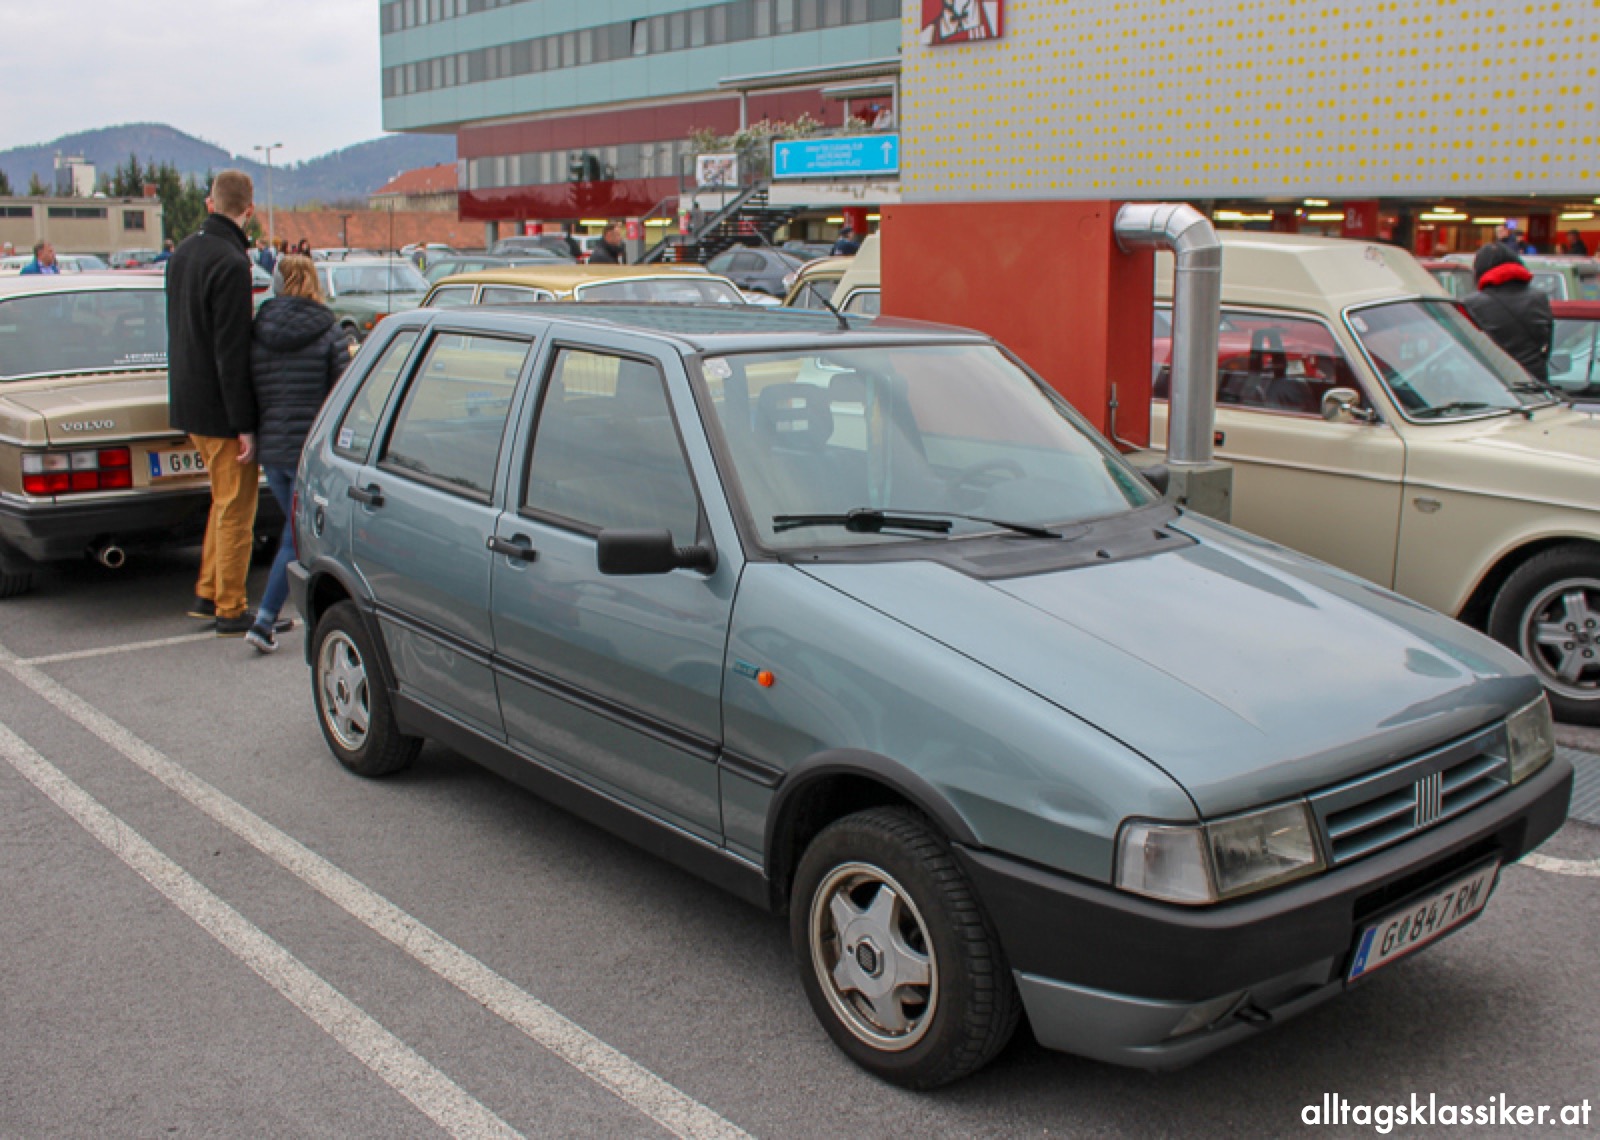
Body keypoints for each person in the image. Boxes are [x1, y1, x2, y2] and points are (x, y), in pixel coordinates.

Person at [165, 169, 262, 637]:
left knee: (221, 502)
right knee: (236, 509)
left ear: (210, 203)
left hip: (189, 399)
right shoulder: (231, 264)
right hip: (221, 408)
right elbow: (231, 351)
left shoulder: (182, 253)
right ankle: (230, 606)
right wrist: (244, 423)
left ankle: (209, 591)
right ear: (250, 211)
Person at [244, 255, 356, 653]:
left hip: (272, 449)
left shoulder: (257, 331)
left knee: (297, 533)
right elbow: (343, 393)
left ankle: (286, 614)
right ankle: (264, 621)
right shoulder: (328, 330)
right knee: (297, 537)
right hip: (310, 451)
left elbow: (250, 387)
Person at [1462, 242, 1554, 383]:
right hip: (1534, 383)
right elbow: (1546, 343)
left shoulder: (1471, 304)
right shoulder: (1540, 298)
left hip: (1493, 383)